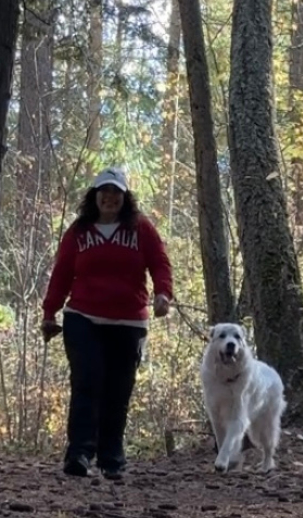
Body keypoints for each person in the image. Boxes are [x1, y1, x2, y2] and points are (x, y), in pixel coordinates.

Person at [41, 166, 174, 479]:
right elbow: (62, 273)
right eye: (104, 191)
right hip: (83, 317)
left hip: (129, 322)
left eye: (116, 192)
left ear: (125, 197)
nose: (110, 197)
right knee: (87, 381)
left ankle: (111, 457)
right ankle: (79, 454)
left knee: (118, 389)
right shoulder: (79, 231)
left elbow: (159, 263)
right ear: (95, 196)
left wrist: (163, 294)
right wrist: (49, 312)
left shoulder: (141, 228)